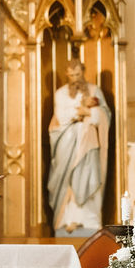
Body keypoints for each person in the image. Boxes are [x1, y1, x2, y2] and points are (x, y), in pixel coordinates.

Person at [46, 58, 111, 236]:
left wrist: (90, 112)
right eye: (72, 75)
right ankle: (67, 218)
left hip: (89, 143)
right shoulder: (60, 93)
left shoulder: (94, 91)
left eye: (78, 74)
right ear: (67, 75)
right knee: (68, 179)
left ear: (83, 72)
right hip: (66, 142)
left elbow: (104, 115)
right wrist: (79, 110)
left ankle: (87, 218)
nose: (75, 79)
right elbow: (61, 116)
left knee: (88, 176)